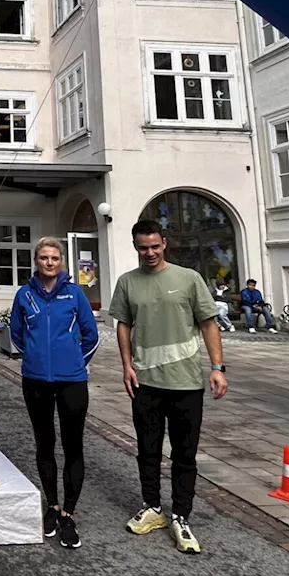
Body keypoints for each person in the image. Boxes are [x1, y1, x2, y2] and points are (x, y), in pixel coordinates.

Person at [110, 220, 228, 555]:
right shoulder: (127, 283)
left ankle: (181, 515)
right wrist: (127, 365)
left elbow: (208, 323)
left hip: (186, 383)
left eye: (154, 246)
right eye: (142, 247)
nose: (149, 253)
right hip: (145, 382)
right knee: (147, 450)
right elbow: (123, 325)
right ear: (135, 247)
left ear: (164, 243)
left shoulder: (188, 279)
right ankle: (152, 507)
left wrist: (217, 368)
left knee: (184, 454)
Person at [9, 237, 99, 549]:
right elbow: (17, 334)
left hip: (72, 381)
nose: (49, 262)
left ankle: (69, 514)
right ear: (36, 261)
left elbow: (91, 334)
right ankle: (52, 506)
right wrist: (34, 358)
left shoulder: (75, 294)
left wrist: (75, 363)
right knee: (44, 443)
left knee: (73, 446)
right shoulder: (24, 295)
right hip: (35, 381)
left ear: (61, 261)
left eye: (54, 258)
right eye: (44, 257)